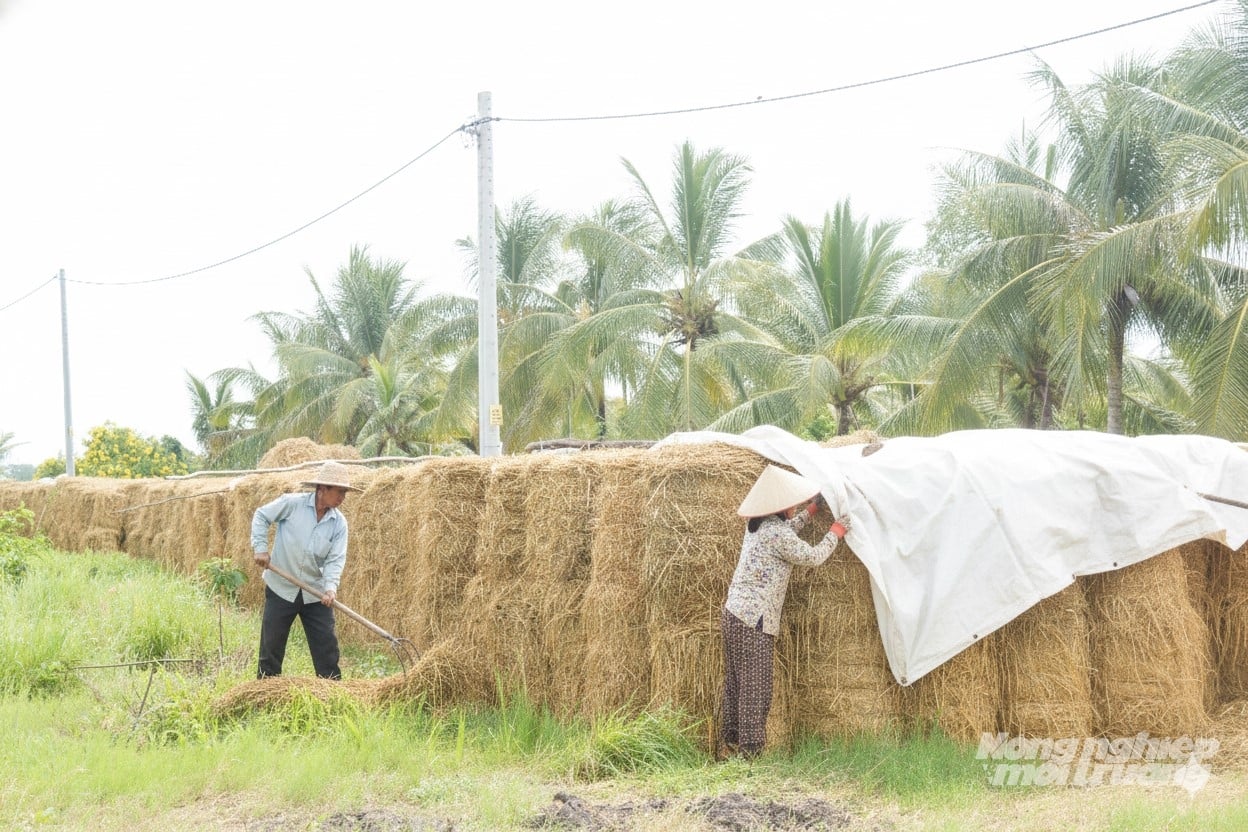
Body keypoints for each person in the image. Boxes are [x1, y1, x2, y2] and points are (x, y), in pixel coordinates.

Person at [720, 464, 849, 759]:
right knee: (757, 687)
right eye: (791, 503)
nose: (795, 505)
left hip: (734, 613)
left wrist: (811, 512)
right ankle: (750, 754)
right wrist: (835, 533)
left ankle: (730, 744)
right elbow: (812, 556)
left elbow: (787, 533)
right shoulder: (776, 534)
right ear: (778, 506)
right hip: (753, 620)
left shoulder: (759, 526)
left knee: (736, 684)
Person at [251, 460, 362, 679]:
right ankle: (265, 691)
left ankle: (331, 693)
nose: (342, 497)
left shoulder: (339, 524)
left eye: (345, 492)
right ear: (322, 489)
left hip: (315, 594)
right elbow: (261, 516)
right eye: (339, 491)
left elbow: (335, 560)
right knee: (271, 646)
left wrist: (330, 588)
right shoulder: (292, 504)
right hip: (281, 588)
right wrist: (260, 548)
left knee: (326, 648)